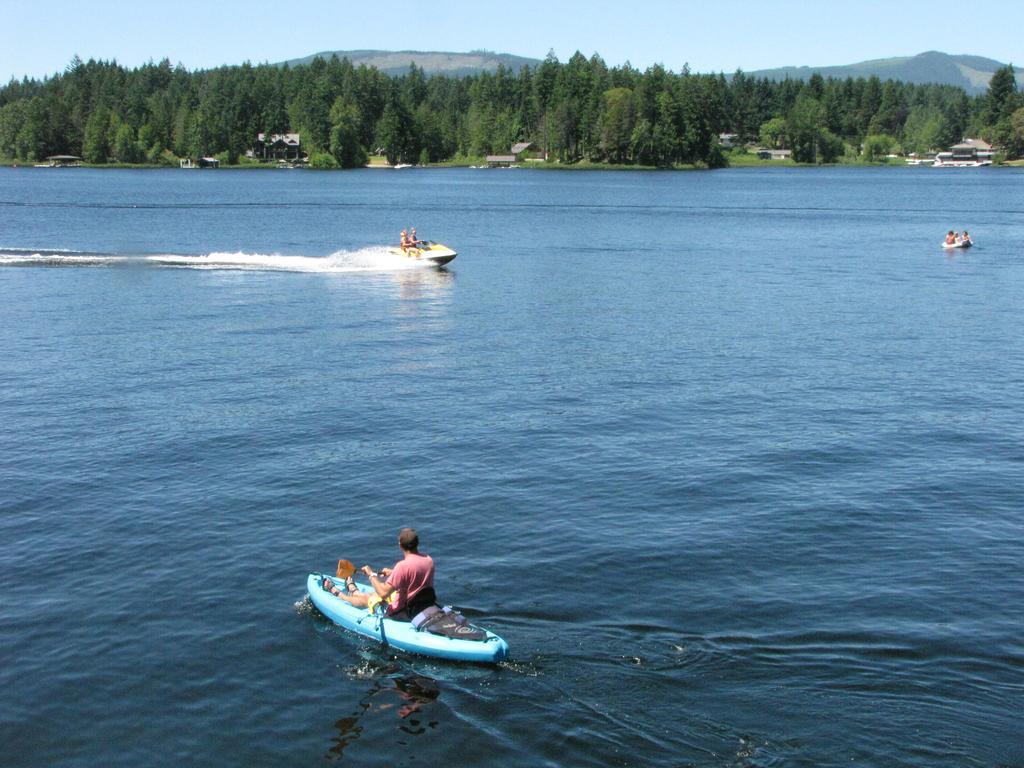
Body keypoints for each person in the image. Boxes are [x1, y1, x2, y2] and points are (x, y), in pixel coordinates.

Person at [321, 528, 436, 621]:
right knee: (374, 593)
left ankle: (340, 595)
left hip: (401, 611)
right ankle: (354, 591)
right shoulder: (428, 560)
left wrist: (371, 574)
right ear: (417, 543)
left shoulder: (402, 566)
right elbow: (414, 574)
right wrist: (393, 572)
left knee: (370, 598)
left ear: (400, 545)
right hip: (420, 605)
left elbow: (383, 593)